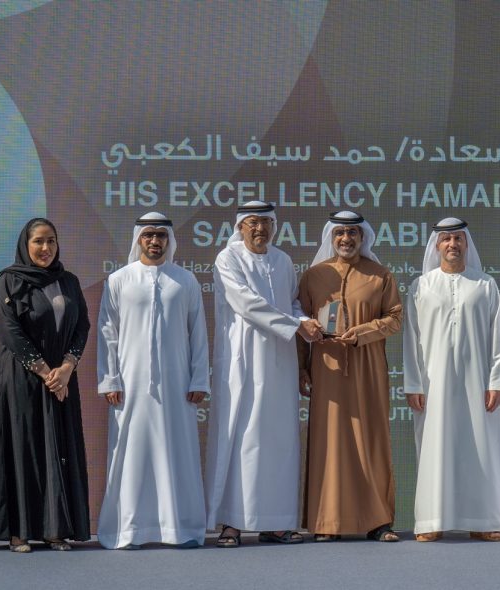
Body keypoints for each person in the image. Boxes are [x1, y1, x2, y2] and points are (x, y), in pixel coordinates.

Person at [0, 218, 90, 553]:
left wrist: (67, 367)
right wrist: (46, 372)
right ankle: (18, 532)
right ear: (25, 244)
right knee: (23, 449)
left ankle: (54, 529)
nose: (45, 248)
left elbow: (82, 326)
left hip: (60, 379)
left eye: (51, 240)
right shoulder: (9, 280)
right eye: (38, 241)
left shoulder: (68, 281)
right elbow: (10, 331)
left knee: (56, 449)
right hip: (20, 377)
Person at [204, 202, 322, 547]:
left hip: (281, 361)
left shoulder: (282, 260)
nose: (260, 229)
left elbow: (292, 303)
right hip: (242, 359)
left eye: (266, 223)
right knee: (241, 436)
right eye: (253, 223)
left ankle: (277, 522)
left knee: (279, 438)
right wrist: (296, 325)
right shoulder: (228, 258)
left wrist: (304, 320)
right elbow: (246, 302)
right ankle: (232, 523)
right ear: (241, 226)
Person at [96, 212, 210, 549]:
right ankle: (128, 530)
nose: (154, 241)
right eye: (148, 235)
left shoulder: (185, 280)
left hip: (177, 386)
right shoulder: (119, 280)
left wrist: (199, 379)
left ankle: (179, 528)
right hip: (129, 385)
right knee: (131, 454)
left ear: (169, 240)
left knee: (177, 454)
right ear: (138, 239)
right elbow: (107, 332)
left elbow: (198, 333)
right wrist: (110, 379)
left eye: (160, 235)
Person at [297, 210, 402, 542]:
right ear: (331, 237)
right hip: (326, 369)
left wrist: (363, 332)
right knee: (329, 443)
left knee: (371, 439)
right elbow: (299, 324)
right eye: (340, 233)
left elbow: (395, 318)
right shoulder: (314, 276)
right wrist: (301, 367)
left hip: (367, 366)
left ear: (362, 237)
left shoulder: (380, 275)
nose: (346, 239)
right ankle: (327, 522)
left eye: (352, 233)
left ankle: (378, 522)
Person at [404, 218, 500, 542]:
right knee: (434, 449)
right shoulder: (421, 286)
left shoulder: (485, 284)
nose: (452, 244)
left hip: (478, 383)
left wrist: (496, 382)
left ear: (466, 244)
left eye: (458, 239)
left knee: (480, 448)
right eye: (446, 239)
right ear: (437, 245)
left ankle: (483, 521)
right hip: (432, 384)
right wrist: (413, 384)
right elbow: (411, 339)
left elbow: (499, 339)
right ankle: (431, 520)